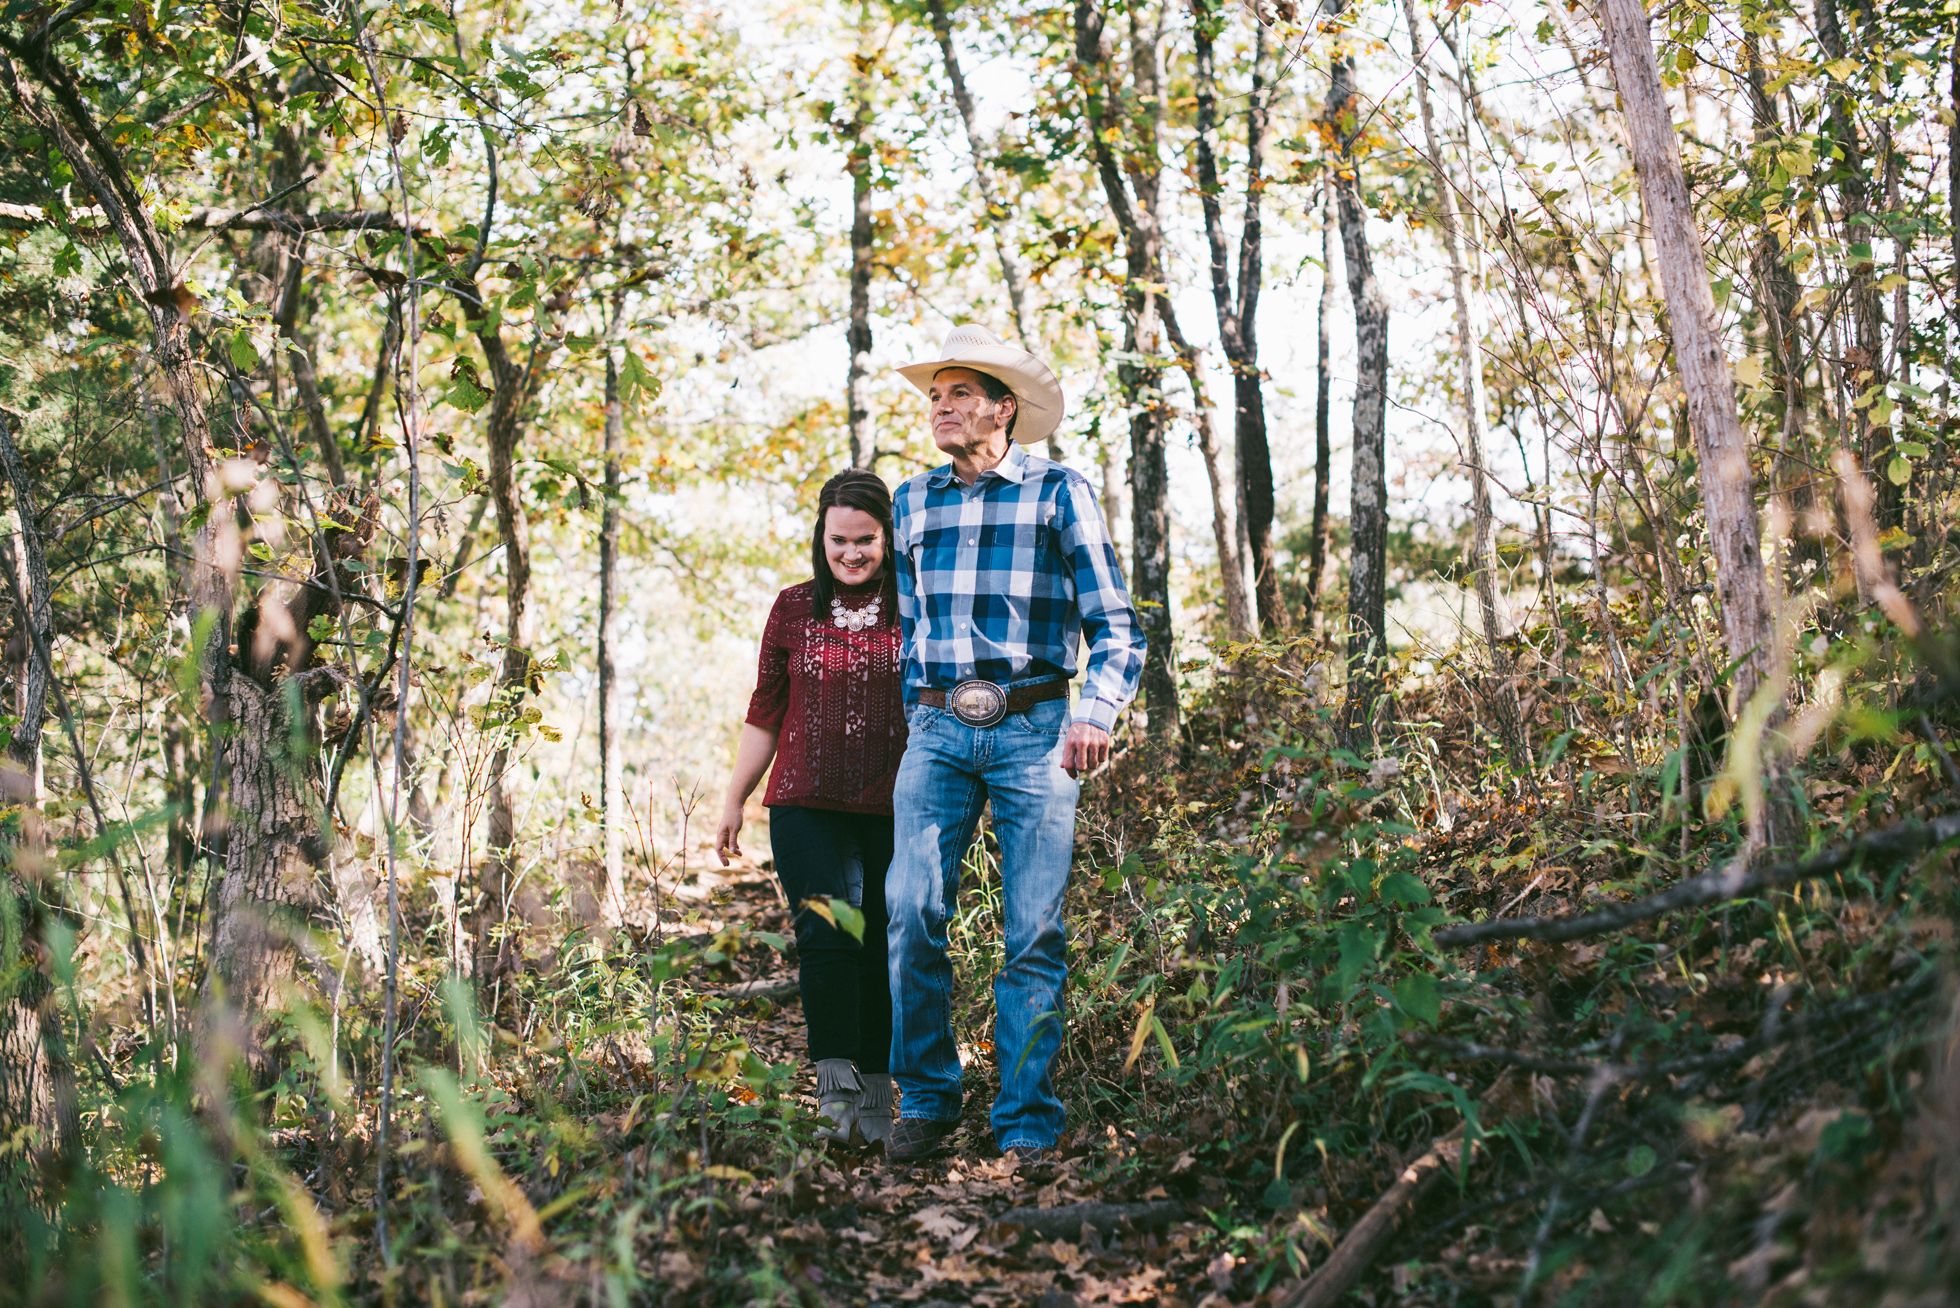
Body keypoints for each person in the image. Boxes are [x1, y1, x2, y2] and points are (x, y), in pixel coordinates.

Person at [883, 324, 1146, 1163]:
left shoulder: (1059, 492)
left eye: (960, 394)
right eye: (934, 396)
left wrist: (1094, 713)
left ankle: (1026, 1123)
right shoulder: (911, 501)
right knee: (911, 911)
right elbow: (909, 624)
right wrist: (915, 710)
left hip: (1036, 733)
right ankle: (926, 1101)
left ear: (1004, 409)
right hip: (936, 728)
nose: (941, 408)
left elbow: (1117, 627)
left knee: (1033, 932)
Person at [717, 468, 906, 1148]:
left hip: (895, 807)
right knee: (829, 938)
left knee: (885, 943)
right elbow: (765, 711)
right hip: (804, 804)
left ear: (888, 537)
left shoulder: (916, 605)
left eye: (865, 540)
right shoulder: (794, 608)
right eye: (838, 542)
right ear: (820, 540)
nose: (851, 554)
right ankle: (836, 1098)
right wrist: (734, 798)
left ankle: (881, 1101)